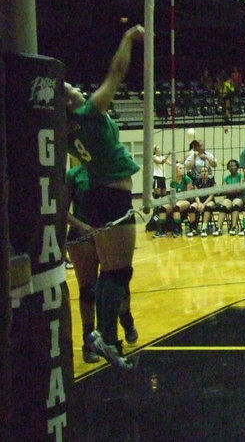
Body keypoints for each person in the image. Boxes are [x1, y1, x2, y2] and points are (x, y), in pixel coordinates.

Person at [64, 25, 144, 370]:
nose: (77, 88)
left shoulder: (67, 130)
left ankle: (105, 336)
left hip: (100, 196)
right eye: (70, 88)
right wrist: (127, 38)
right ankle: (106, 338)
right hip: (112, 198)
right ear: (68, 102)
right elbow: (117, 72)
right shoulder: (88, 114)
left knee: (112, 273)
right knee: (117, 273)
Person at [66, 164, 137, 363]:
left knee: (118, 282)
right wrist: (82, 227)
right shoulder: (74, 175)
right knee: (88, 290)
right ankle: (89, 343)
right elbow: (61, 211)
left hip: (109, 230)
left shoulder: (112, 166)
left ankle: (126, 320)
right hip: (83, 236)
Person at [187, 166, 220, 237]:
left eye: (205, 171)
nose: (204, 173)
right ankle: (194, 229)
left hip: (209, 201)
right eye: (202, 171)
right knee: (191, 208)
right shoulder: (196, 182)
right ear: (200, 173)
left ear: (208, 173)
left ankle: (204, 229)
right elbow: (196, 194)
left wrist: (204, 204)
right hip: (199, 201)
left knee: (207, 207)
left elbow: (211, 195)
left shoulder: (212, 182)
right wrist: (199, 203)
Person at [220, 159, 245, 236]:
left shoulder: (241, 176)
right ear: (228, 168)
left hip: (240, 197)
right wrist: (235, 189)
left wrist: (230, 189)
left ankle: (233, 227)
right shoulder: (226, 178)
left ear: (237, 167)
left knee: (235, 204)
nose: (232, 167)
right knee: (223, 206)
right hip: (229, 197)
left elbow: (240, 189)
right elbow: (224, 190)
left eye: (234, 165)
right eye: (230, 166)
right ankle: (218, 228)